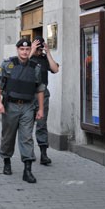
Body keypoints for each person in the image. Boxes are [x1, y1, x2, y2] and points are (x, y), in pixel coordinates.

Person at [0, 38, 45, 183]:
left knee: (27, 137)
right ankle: (6, 161)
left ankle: (27, 170)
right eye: (22, 49)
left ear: (30, 50)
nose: (24, 52)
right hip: (11, 106)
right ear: (17, 50)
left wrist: (41, 109)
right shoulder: (8, 64)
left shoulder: (35, 67)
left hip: (28, 107)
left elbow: (40, 89)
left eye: (27, 49)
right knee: (8, 136)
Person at [30, 36, 59, 165]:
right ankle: (28, 153)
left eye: (40, 47)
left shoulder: (43, 59)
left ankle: (43, 154)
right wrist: (31, 50)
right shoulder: (27, 57)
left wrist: (48, 52)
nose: (38, 50)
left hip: (43, 96)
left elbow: (55, 69)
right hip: (28, 96)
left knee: (41, 125)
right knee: (27, 126)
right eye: (37, 47)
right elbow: (21, 65)